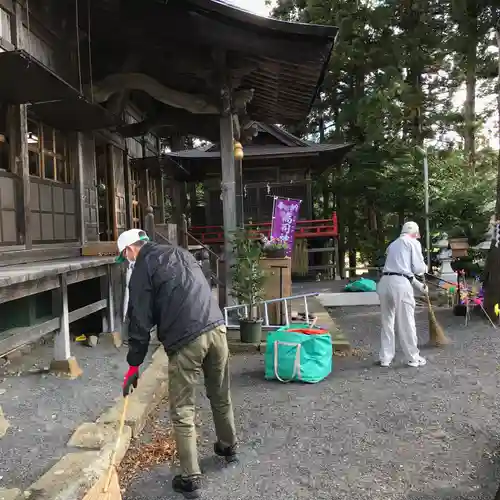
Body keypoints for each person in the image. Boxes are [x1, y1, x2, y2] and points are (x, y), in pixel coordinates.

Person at [117, 229, 237, 499]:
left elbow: (139, 322)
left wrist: (134, 366)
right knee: (220, 394)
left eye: (124, 257)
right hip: (217, 328)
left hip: (186, 339)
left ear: (129, 251)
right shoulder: (179, 252)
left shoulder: (141, 270)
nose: (126, 262)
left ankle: (190, 477)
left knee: (182, 408)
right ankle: (229, 448)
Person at [377, 221, 428, 368]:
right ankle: (413, 358)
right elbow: (417, 269)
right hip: (400, 285)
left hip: (384, 282)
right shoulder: (412, 242)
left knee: (387, 322)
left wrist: (419, 286)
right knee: (406, 322)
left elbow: (401, 270)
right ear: (415, 233)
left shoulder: (393, 244)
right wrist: (425, 267)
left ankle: (385, 358)